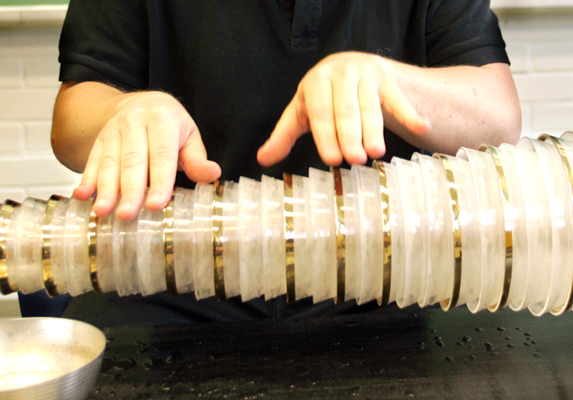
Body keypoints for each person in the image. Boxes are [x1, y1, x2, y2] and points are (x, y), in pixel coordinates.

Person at [47, 0, 521, 327]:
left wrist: (386, 80)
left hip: (386, 285)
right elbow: (72, 120)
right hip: (172, 279)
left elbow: (499, 116)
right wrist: (125, 111)